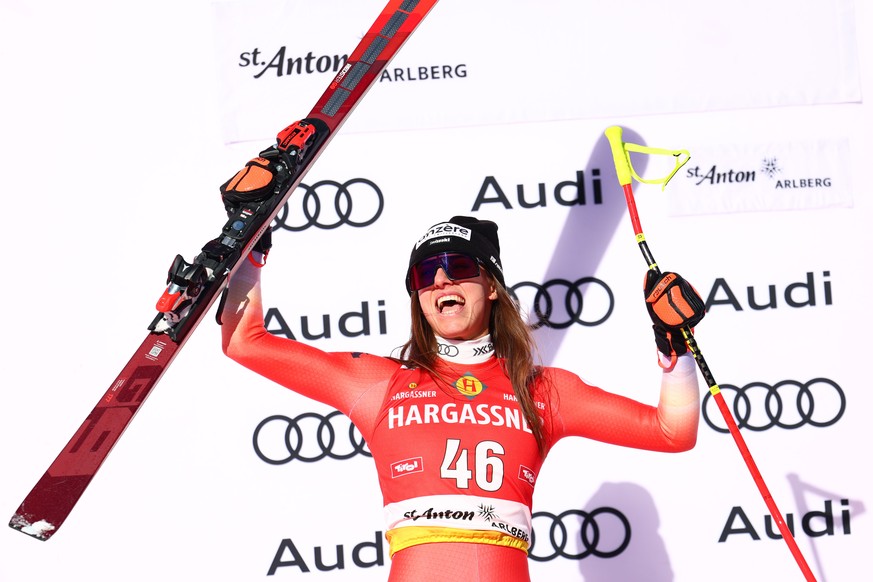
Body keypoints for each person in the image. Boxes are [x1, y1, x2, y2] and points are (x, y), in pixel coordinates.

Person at [220, 214, 705, 582]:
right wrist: (250, 246)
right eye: (424, 273)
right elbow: (245, 342)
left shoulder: (544, 390)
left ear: (491, 286)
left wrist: (674, 346)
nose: (441, 280)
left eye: (459, 266)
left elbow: (671, 432)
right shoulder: (379, 383)